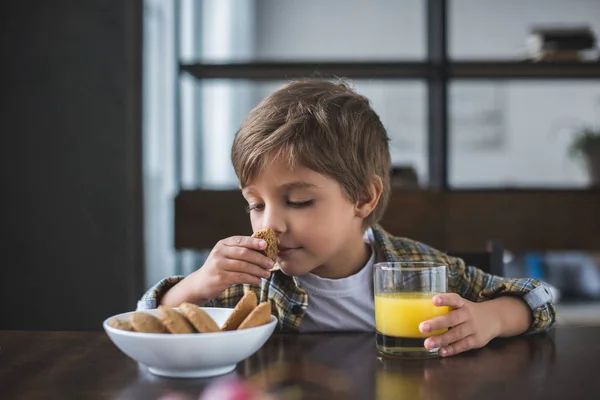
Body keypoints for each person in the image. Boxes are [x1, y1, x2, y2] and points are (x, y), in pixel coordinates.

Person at [138, 80, 556, 357]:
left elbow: (538, 297)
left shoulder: (422, 273)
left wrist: (491, 318)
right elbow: (150, 323)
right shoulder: (252, 284)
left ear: (363, 197)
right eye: (256, 204)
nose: (270, 225)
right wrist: (195, 285)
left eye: (299, 201)